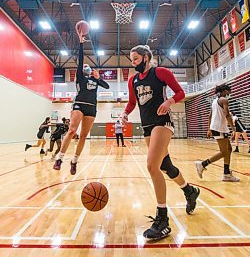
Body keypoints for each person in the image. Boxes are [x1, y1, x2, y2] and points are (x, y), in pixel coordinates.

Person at [122, 44, 199, 241]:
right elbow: (132, 103)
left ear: (146, 57)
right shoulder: (133, 81)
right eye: (132, 60)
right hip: (147, 126)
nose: (134, 64)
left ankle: (163, 220)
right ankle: (189, 191)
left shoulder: (160, 72)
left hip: (163, 123)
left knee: (151, 166)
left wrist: (170, 102)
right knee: (166, 166)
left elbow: (180, 92)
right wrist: (124, 114)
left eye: (136, 59)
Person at [53, 28, 109, 174]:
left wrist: (99, 78)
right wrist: (81, 43)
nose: (85, 67)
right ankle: (59, 158)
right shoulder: (80, 77)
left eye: (87, 67)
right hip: (79, 105)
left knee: (84, 136)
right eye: (84, 67)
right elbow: (81, 60)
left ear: (91, 70)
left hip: (92, 108)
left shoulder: (95, 80)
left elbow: (107, 86)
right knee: (72, 130)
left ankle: (74, 161)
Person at [195, 84, 240, 182]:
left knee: (229, 149)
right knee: (224, 152)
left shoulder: (214, 101)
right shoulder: (224, 100)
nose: (230, 94)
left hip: (217, 128)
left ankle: (226, 174)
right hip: (219, 128)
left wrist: (209, 129)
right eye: (229, 92)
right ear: (224, 91)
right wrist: (234, 129)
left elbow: (209, 116)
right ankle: (202, 164)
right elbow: (227, 115)